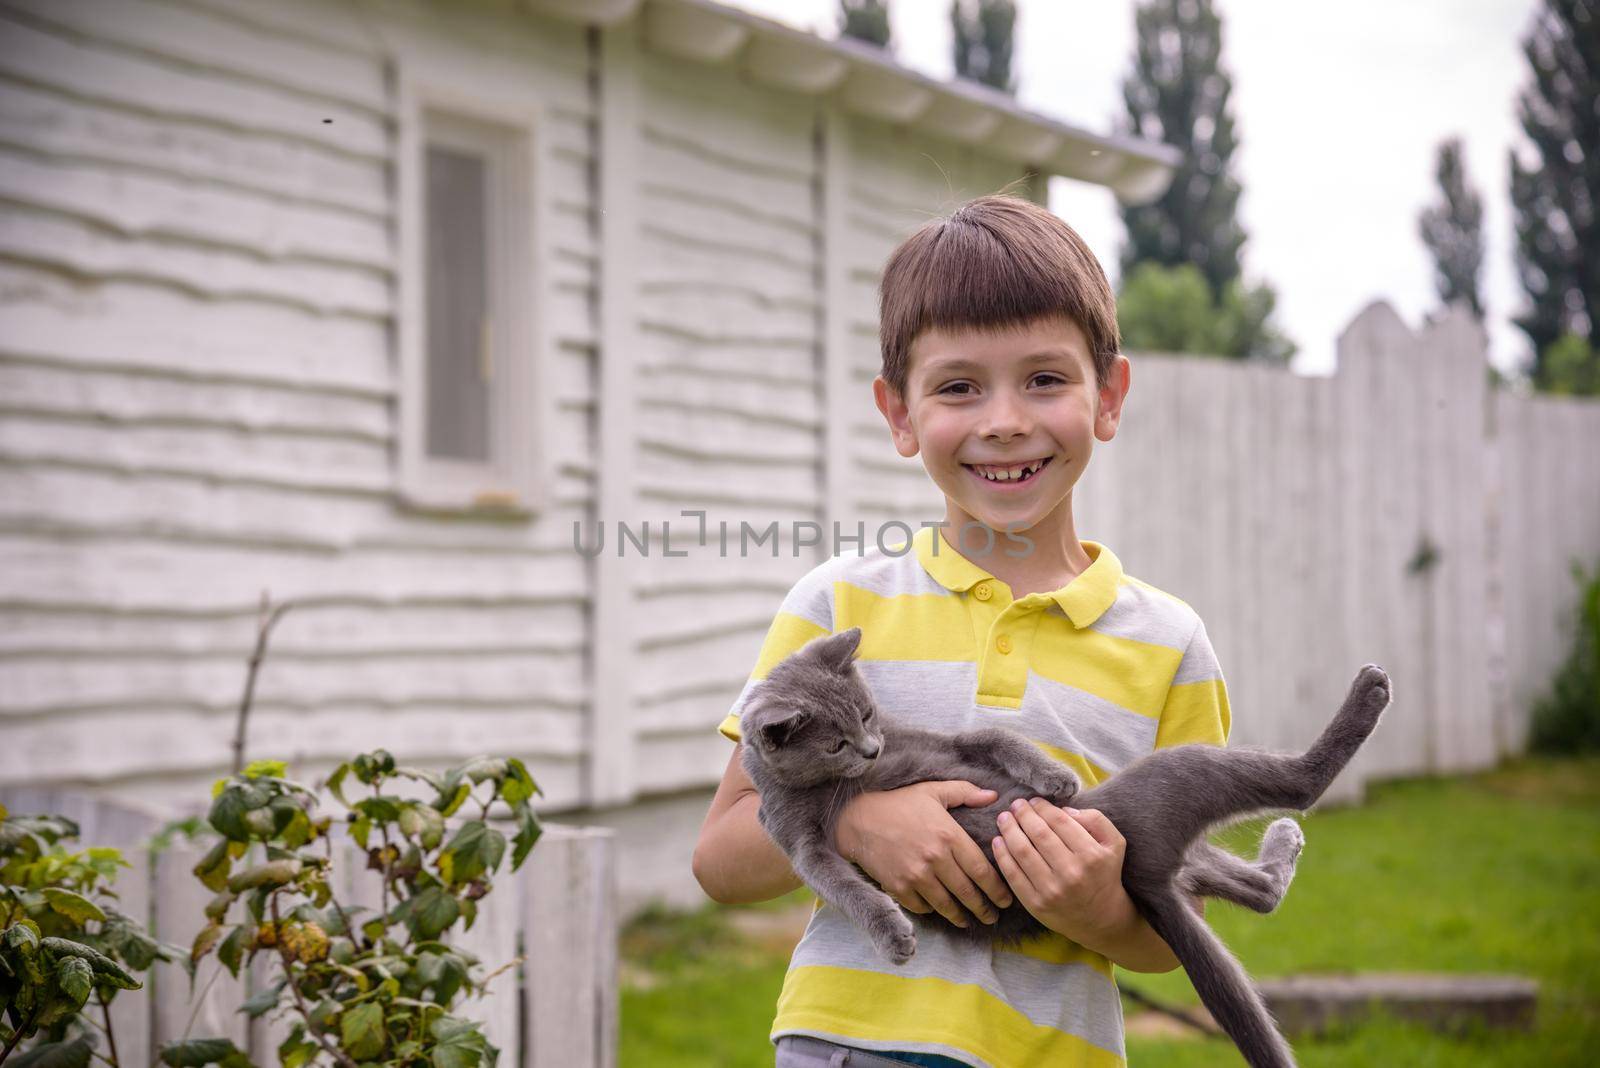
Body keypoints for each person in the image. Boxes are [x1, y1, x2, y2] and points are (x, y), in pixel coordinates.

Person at [691, 194, 1231, 1068]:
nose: (1005, 419)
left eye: (1046, 379)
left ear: (1110, 394)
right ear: (899, 413)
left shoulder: (1171, 648)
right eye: (957, 387)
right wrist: (856, 825)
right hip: (844, 1048)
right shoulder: (837, 606)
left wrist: (1097, 907)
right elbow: (720, 857)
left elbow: (1176, 934)